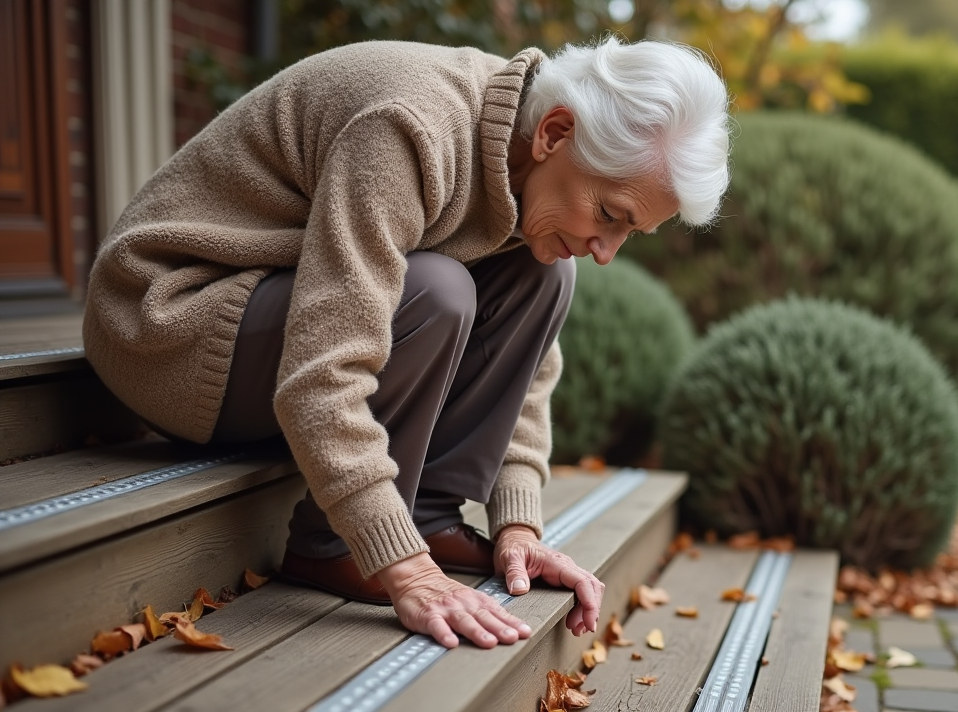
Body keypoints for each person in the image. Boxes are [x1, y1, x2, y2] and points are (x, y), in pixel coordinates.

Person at [82, 36, 731, 651]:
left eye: (630, 233)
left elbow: (527, 381)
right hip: (169, 327)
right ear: (555, 133)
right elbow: (321, 376)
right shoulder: (409, 128)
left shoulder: (519, 168)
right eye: (610, 214)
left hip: (267, 320)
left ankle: (428, 511)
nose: (608, 252)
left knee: (544, 273)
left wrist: (518, 523)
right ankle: (334, 544)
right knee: (436, 290)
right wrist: (402, 566)